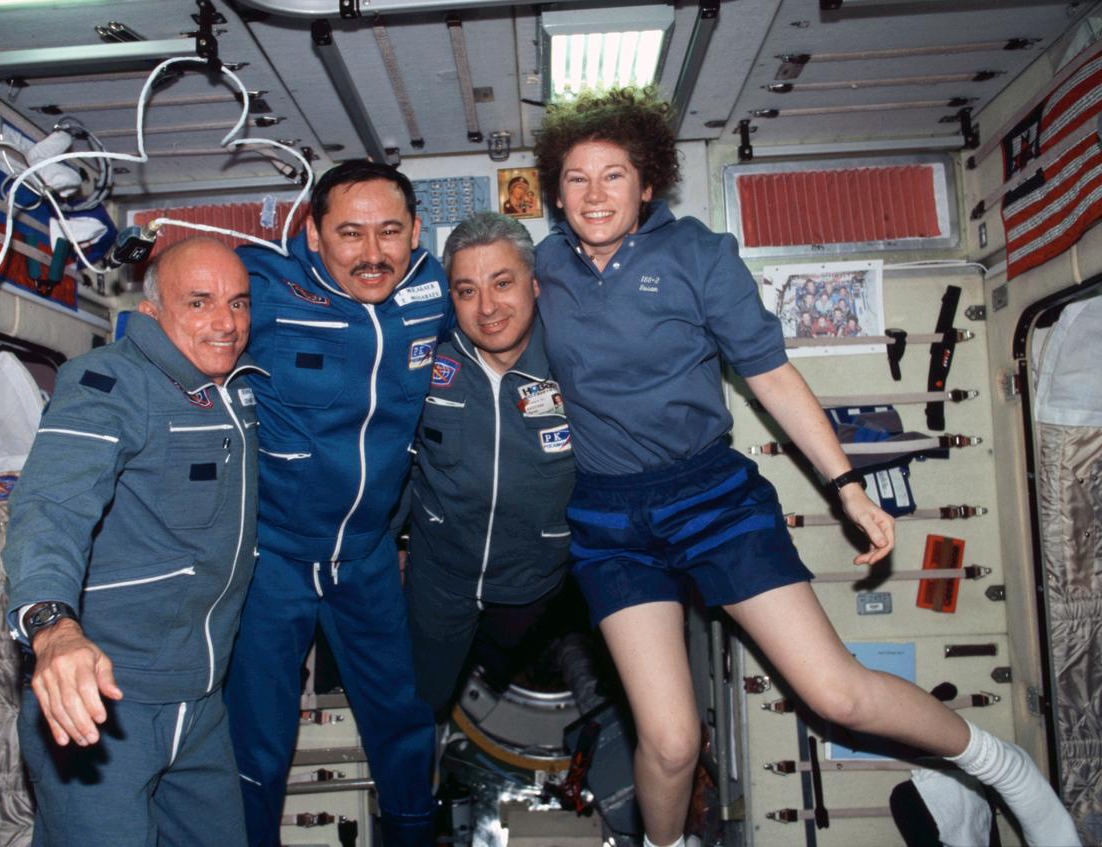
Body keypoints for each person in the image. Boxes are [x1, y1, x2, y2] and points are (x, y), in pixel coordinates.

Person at [531, 88, 1080, 847]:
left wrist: (847, 485)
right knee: (670, 742)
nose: (595, 193)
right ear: (556, 192)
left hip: (711, 499)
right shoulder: (539, 272)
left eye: (614, 174)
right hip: (609, 518)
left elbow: (772, 377)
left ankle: (1004, 767)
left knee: (837, 695)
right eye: (578, 178)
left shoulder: (697, 254)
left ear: (648, 182)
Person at [2, 237, 260, 846]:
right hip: (105, 702)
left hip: (200, 703)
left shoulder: (232, 389)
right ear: (151, 313)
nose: (226, 323)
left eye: (239, 303)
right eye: (199, 303)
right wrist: (52, 626)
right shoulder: (106, 382)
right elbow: (51, 505)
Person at [225, 161, 449, 847]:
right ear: (314, 234)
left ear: (415, 231)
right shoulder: (258, 287)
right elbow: (169, 333)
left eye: (390, 232)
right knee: (256, 740)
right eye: (350, 233)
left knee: (404, 723)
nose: (373, 253)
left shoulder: (434, 290)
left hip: (368, 553)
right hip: (273, 556)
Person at [404, 212, 575, 718]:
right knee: (423, 703)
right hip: (440, 579)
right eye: (466, 290)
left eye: (503, 283)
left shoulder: (576, 361)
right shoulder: (424, 362)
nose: (488, 308)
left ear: (535, 284)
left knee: (501, 661)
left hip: (535, 583)